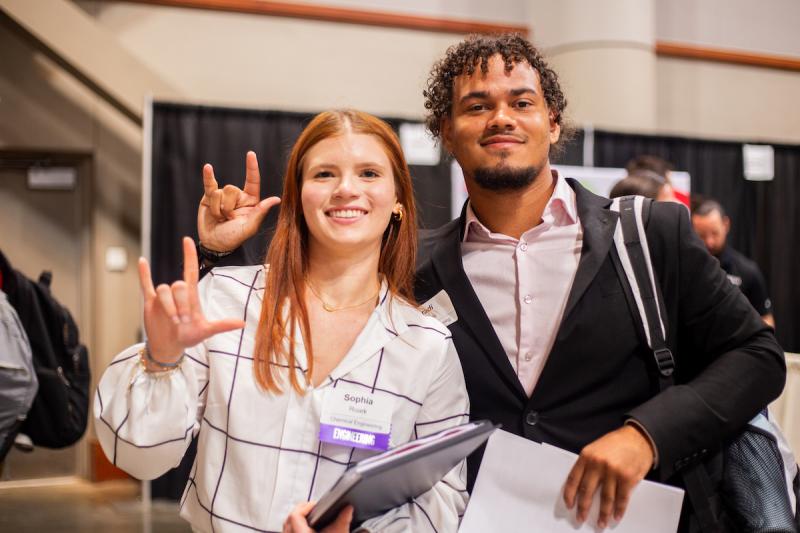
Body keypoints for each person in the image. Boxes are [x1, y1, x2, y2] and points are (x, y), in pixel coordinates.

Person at [194, 34, 784, 531]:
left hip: (637, 514)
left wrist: (646, 435)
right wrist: (223, 256)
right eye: (476, 106)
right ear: (446, 132)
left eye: (521, 102)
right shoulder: (414, 270)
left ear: (553, 123)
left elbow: (756, 356)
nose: (500, 117)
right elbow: (309, 302)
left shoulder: (648, 236)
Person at [94, 110, 469, 533]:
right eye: (324, 174)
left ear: (398, 199)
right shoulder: (227, 300)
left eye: (368, 173)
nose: (346, 189)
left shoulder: (427, 344)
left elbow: (443, 493)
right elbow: (138, 455)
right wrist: (161, 359)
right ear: (298, 196)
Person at [691, 197, 775, 328]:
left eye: (714, 233)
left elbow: (767, 322)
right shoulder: (687, 269)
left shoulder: (748, 271)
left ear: (726, 225)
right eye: (701, 235)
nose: (709, 242)